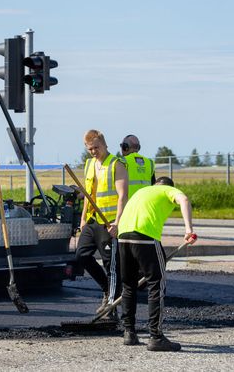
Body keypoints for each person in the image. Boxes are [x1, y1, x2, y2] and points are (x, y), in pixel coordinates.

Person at [117, 177, 197, 351]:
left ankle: (129, 333)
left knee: (128, 286)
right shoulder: (167, 190)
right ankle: (156, 337)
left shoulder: (142, 191)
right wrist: (188, 229)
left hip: (123, 237)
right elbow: (184, 200)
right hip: (145, 237)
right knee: (156, 284)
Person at [75, 129, 128, 316]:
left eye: (96, 147)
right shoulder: (89, 164)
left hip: (109, 222)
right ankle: (107, 289)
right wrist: (82, 219)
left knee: (111, 264)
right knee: (81, 256)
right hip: (91, 220)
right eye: (90, 149)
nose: (94, 151)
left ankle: (111, 305)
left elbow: (123, 196)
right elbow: (88, 195)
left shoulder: (116, 164)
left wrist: (118, 222)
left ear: (105, 144)